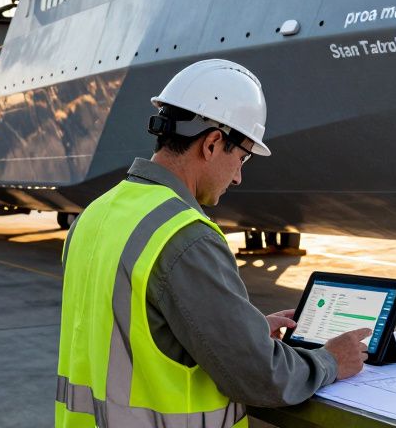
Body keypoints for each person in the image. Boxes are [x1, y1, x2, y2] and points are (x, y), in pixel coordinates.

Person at [56, 59, 372, 428]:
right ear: (211, 144)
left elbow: (131, 335)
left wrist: (240, 331)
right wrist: (331, 360)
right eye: (240, 158)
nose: (238, 177)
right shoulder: (184, 235)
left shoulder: (95, 214)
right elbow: (261, 377)